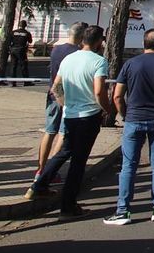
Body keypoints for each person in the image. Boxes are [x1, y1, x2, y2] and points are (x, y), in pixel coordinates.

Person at [26, 25, 112, 217]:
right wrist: (107, 110)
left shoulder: (68, 59)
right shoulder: (99, 62)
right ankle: (68, 205)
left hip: (71, 114)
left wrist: (65, 104)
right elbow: (99, 91)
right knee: (79, 161)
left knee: (64, 151)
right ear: (99, 42)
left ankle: (38, 184)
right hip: (89, 116)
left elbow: (55, 87)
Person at [104, 28, 154, 225]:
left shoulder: (130, 64)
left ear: (144, 43)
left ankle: (123, 210)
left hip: (134, 119)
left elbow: (117, 95)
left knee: (129, 165)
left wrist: (124, 114)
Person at [37, 23, 86, 178]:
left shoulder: (56, 49)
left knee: (49, 131)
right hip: (69, 98)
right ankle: (52, 170)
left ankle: (40, 168)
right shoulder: (78, 53)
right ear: (82, 36)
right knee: (63, 134)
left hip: (52, 95)